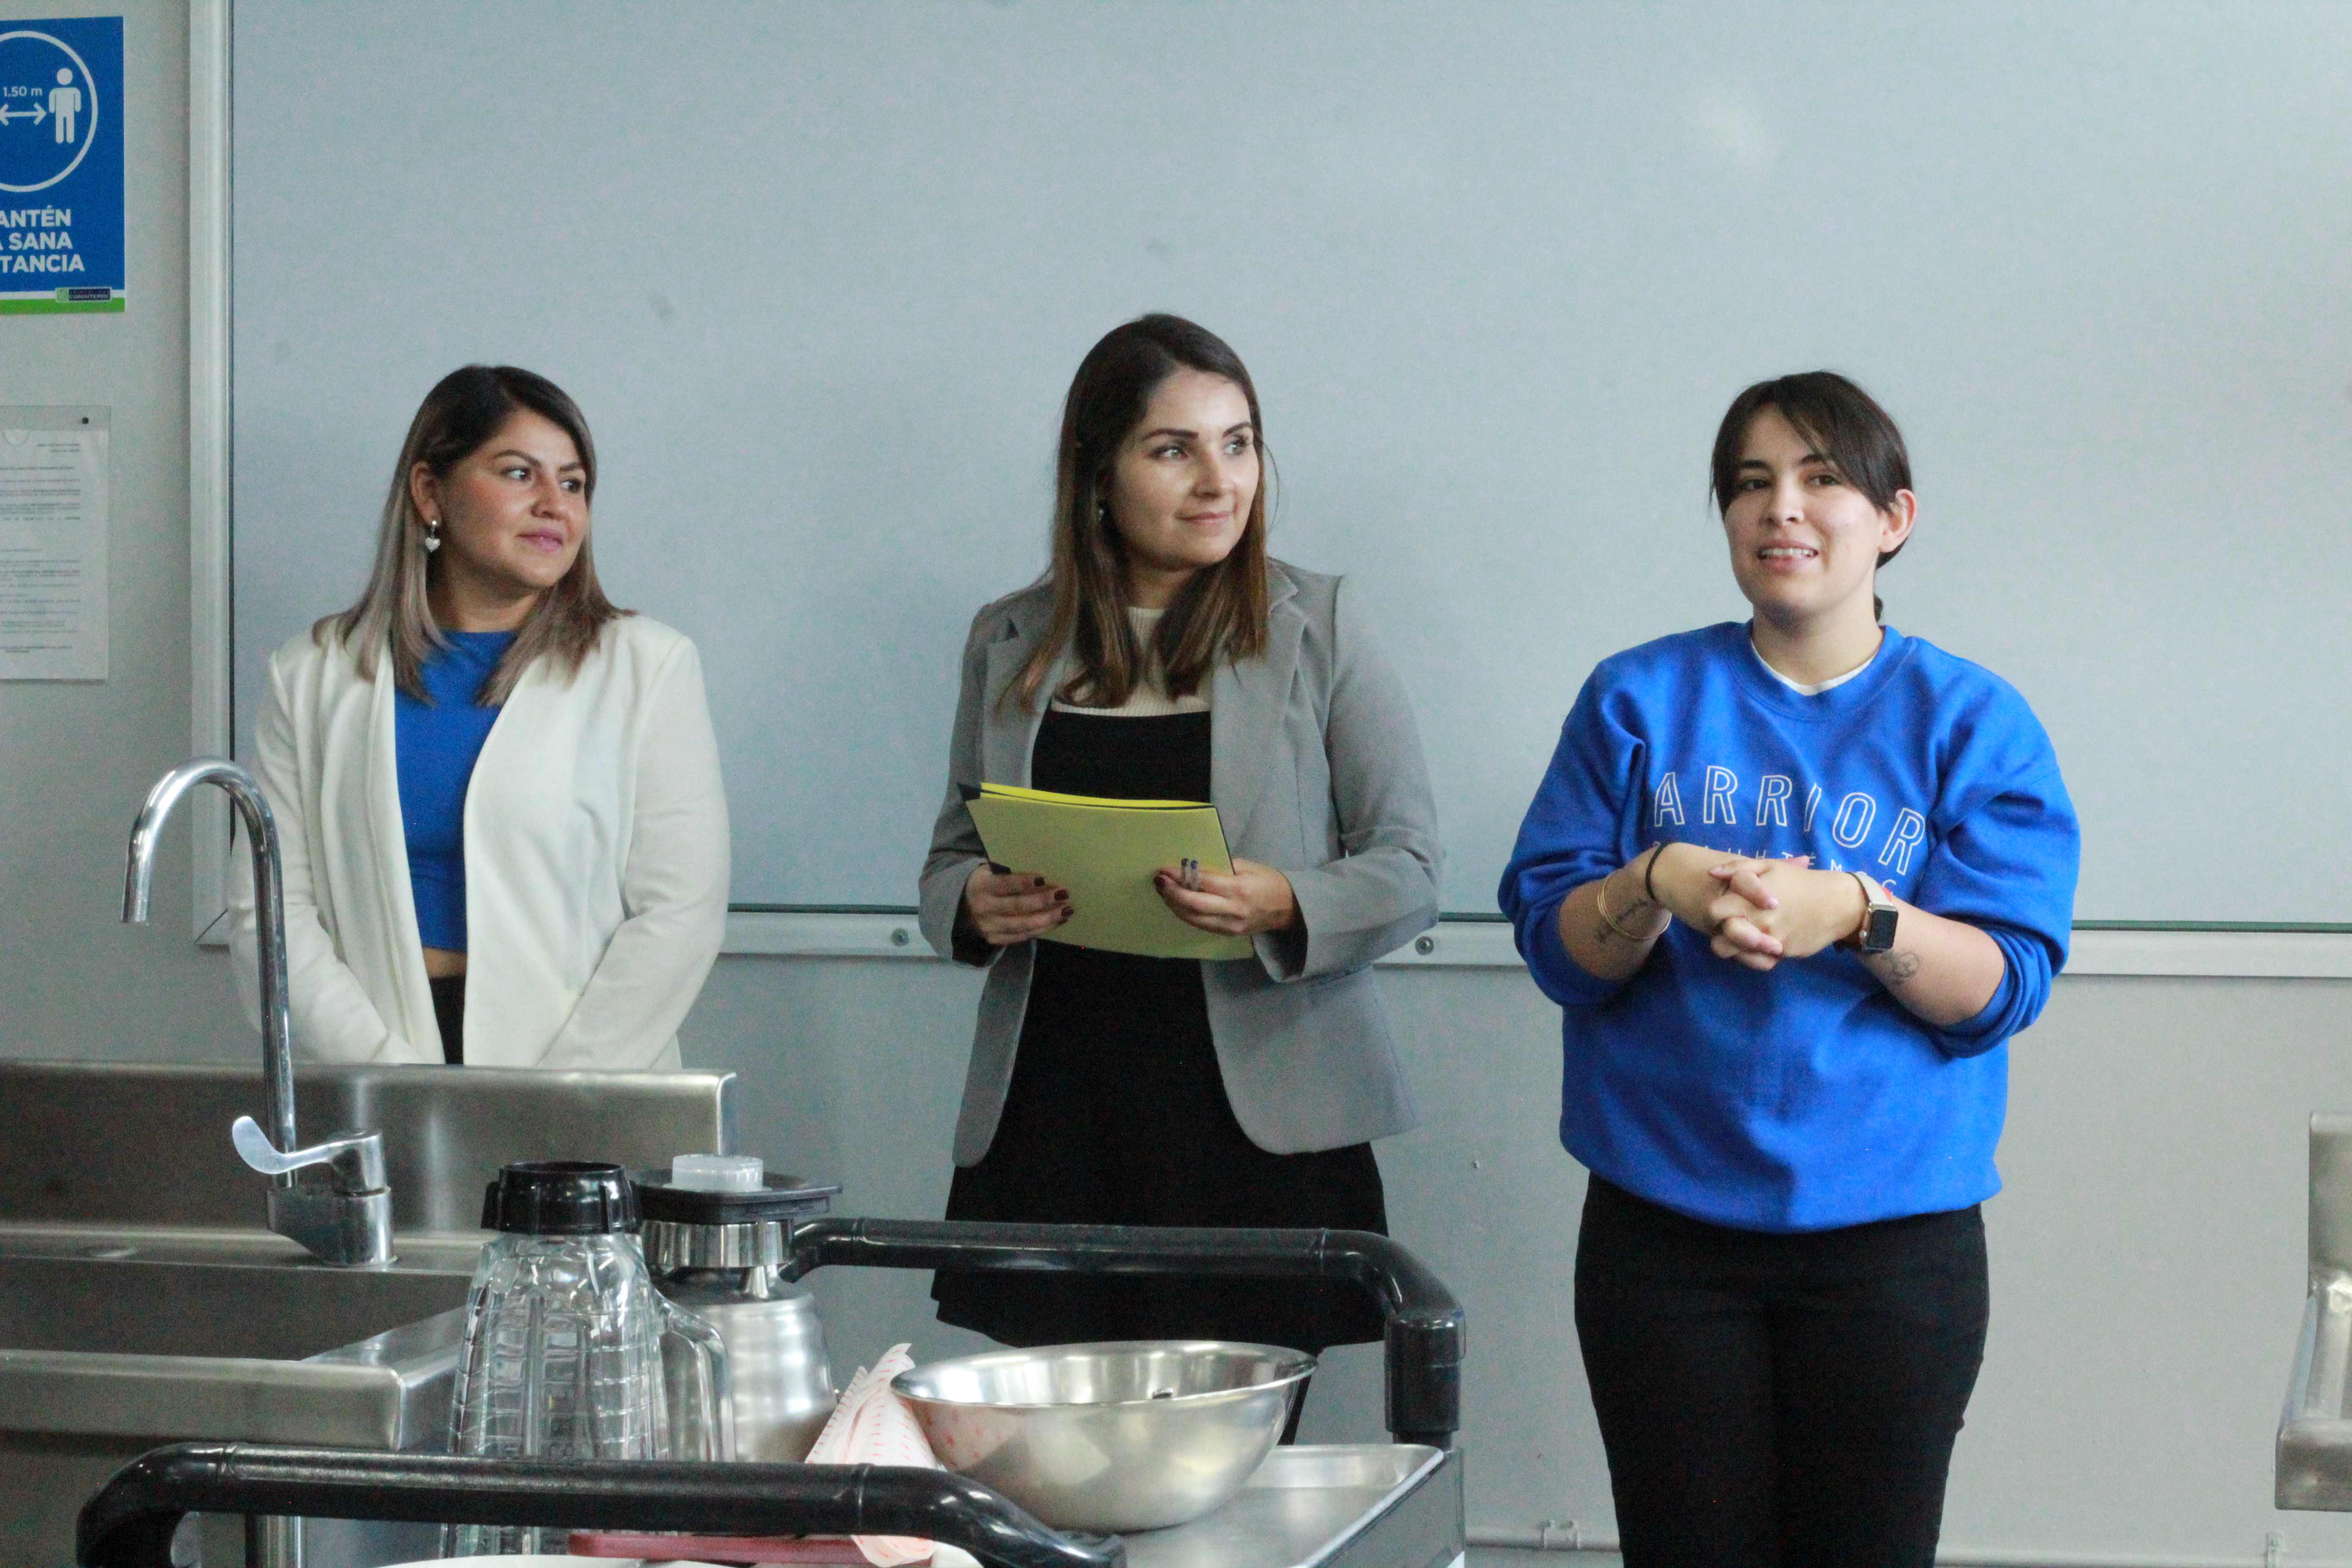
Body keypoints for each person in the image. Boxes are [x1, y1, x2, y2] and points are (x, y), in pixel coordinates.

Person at [1499, 372, 2079, 1568]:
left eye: (1824, 479)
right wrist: (1653, 879)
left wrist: (1860, 912)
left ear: (1894, 518)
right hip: (1662, 1241)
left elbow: (2003, 987)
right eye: (1753, 484)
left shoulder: (1973, 721)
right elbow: (1561, 955)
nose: (1785, 511)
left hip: (1896, 1248)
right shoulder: (1637, 699)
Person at [919, 314, 1442, 1377]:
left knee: (1230, 1496)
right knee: (1059, 1486)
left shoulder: (1321, 623)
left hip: (1256, 1127)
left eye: (1239, 443)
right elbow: (947, 859)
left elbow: (1412, 867)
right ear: (1096, 474)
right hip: (1056, 1117)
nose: (1220, 480)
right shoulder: (1009, 636)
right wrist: (974, 903)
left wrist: (1286, 902)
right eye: (1175, 449)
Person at [231, 365, 730, 1068]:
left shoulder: (649, 667)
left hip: (587, 1077)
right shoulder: (313, 673)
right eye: (520, 474)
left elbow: (681, 914)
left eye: (575, 483)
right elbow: (272, 915)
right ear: (430, 491)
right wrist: (391, 1080)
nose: (555, 505)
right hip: (375, 1063)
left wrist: (558, 1096)